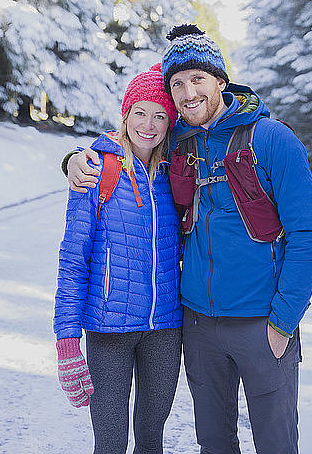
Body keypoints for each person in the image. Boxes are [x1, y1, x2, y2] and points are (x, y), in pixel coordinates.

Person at [65, 25, 312, 454]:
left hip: (262, 323)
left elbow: (310, 235)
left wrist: (283, 320)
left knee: (276, 443)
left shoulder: (272, 139)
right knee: (214, 443)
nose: (188, 92)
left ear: (221, 81)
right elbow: (132, 138)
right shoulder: (180, 143)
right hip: (199, 327)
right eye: (178, 84)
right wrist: (75, 158)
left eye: (198, 79)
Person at [54, 63, 183, 454]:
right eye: (140, 112)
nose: (149, 124)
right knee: (110, 443)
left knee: (151, 438)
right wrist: (66, 341)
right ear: (125, 115)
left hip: (165, 329)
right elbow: (73, 261)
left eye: (160, 115)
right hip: (109, 329)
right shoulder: (96, 168)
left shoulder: (177, 171)